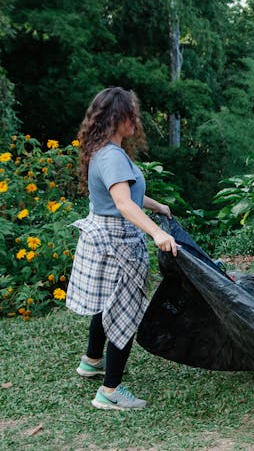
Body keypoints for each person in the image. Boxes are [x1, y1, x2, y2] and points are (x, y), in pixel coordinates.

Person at [67, 87, 178, 410]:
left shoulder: (102, 150)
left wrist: (157, 206)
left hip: (103, 237)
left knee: (106, 303)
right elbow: (122, 204)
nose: (137, 120)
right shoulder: (113, 156)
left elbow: (127, 197)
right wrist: (157, 233)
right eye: (132, 113)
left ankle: (90, 361)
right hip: (118, 243)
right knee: (124, 312)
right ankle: (110, 391)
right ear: (118, 118)